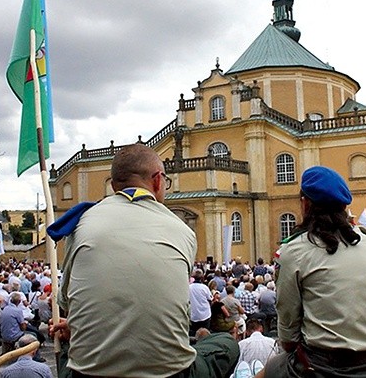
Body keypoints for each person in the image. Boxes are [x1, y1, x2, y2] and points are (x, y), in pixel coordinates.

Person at [53, 144, 239, 377]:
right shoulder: (181, 230)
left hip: (91, 373)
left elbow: (67, 303)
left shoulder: (82, 223)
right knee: (226, 343)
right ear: (158, 180)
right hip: (171, 372)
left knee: (66, 355)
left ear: (113, 185)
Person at [263, 166, 366, 377]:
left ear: (305, 203)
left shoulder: (295, 250)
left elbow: (288, 319)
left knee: (268, 370)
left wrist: (290, 345)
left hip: (324, 367)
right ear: (344, 207)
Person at [189, 269, 213, 335]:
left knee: (195, 334)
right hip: (205, 315)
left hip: (194, 315)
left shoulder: (189, 287)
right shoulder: (204, 288)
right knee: (206, 333)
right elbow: (210, 299)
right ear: (202, 277)